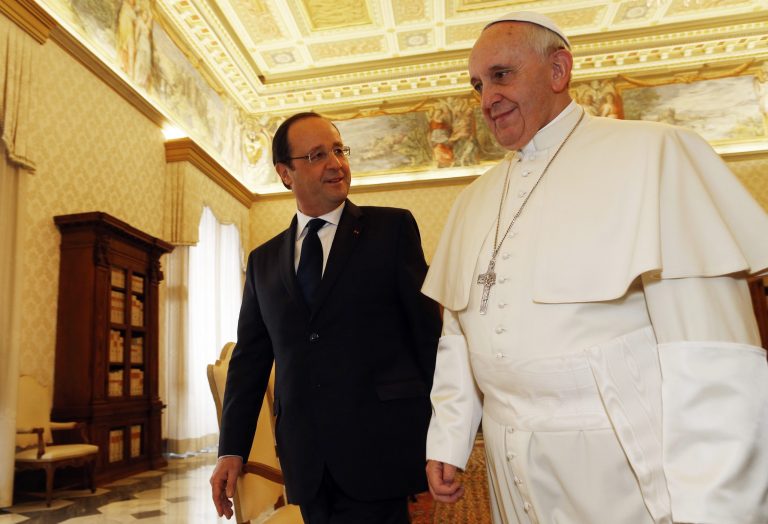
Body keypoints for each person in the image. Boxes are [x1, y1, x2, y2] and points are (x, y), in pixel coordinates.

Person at [423, 11, 768, 524]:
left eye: (501, 75)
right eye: (477, 84)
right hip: (507, 457)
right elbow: (459, 335)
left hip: (620, 463)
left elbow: (711, 361)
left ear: (559, 70)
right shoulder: (474, 199)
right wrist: (449, 437)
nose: (486, 99)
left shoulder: (654, 153)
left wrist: (720, 509)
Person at [210, 112, 441, 524]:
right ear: (286, 173)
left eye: (338, 150)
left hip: (380, 450)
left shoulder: (392, 231)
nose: (336, 163)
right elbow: (250, 362)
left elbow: (428, 339)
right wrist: (232, 449)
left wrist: (444, 438)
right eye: (317, 154)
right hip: (306, 460)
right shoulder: (263, 262)